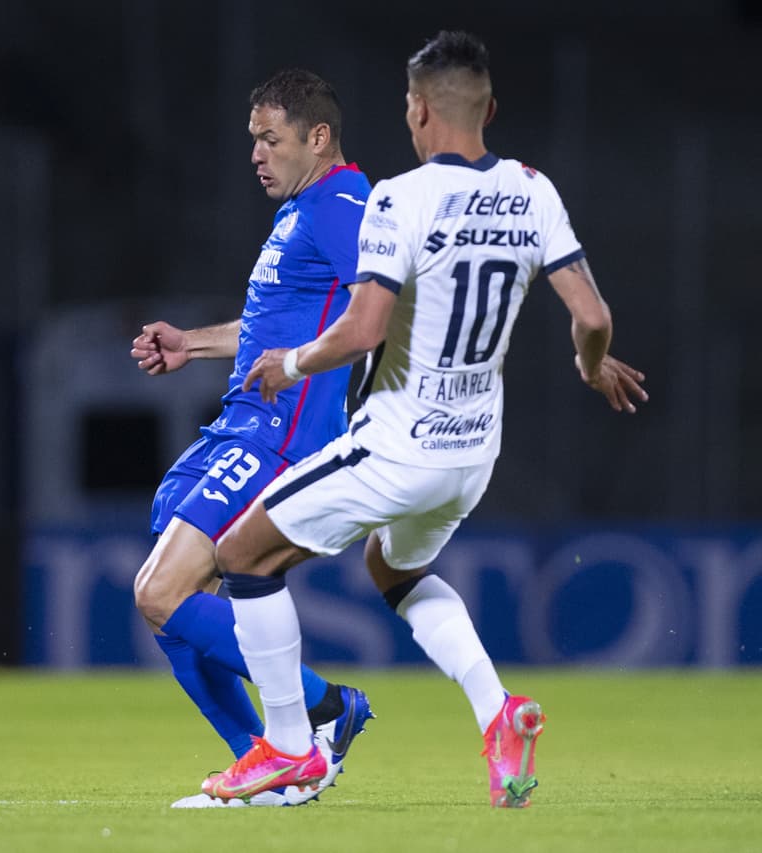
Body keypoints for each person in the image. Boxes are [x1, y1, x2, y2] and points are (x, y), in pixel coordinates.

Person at [202, 30, 648, 808]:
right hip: (474, 455)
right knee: (393, 569)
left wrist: (290, 362)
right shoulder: (532, 190)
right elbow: (593, 313)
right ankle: (498, 711)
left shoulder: (397, 198)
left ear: (415, 111)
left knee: (242, 553)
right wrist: (588, 363)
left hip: (397, 444)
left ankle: (288, 746)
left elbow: (363, 329)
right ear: (490, 108)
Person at [130, 68, 374, 808]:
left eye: (270, 139)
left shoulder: (343, 204)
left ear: (318, 137)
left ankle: (324, 709)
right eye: (253, 141)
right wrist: (190, 345)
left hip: (280, 438)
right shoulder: (300, 213)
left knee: (159, 591)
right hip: (239, 424)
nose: (257, 154)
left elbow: (383, 312)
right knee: (179, 606)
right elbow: (276, 330)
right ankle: (270, 768)